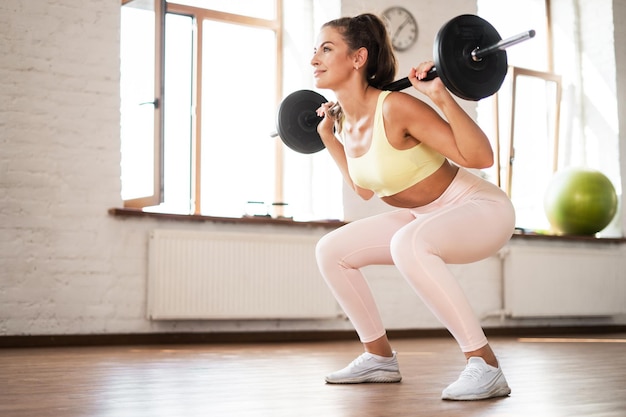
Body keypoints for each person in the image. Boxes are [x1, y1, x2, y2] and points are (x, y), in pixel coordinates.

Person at [311, 13, 516, 401]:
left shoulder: (395, 107)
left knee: (406, 242)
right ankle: (379, 358)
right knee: (331, 250)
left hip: (479, 208)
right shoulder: (344, 124)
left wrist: (439, 95)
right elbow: (364, 189)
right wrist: (328, 138)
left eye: (326, 48)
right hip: (423, 218)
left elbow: (481, 156)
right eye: (315, 50)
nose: (314, 59)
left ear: (358, 58)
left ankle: (485, 364)